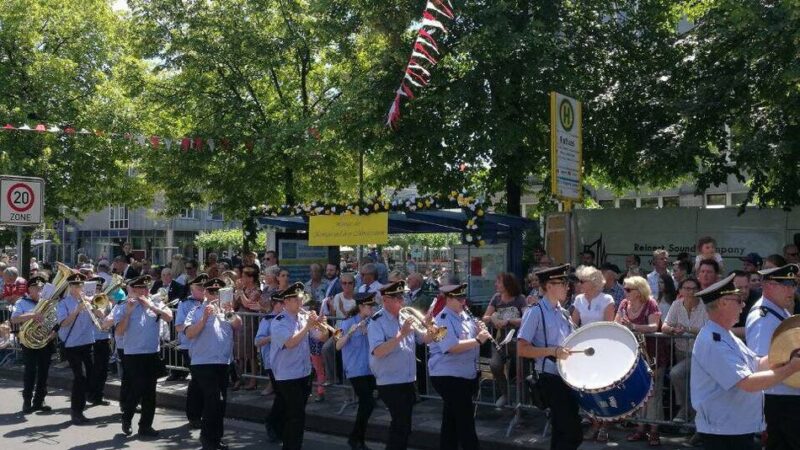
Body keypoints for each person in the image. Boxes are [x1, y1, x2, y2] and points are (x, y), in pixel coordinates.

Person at [691, 272, 800, 450]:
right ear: (723, 303)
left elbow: (757, 364)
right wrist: (791, 368)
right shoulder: (712, 341)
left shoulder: (727, 336)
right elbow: (747, 383)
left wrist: (789, 355)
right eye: (738, 300)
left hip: (736, 427)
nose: (743, 305)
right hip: (723, 431)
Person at [517, 264, 581, 450]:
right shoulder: (535, 312)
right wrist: (552, 351)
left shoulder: (563, 313)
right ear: (549, 286)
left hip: (566, 378)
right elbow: (522, 349)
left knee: (561, 433)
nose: (567, 287)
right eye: (563, 282)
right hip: (550, 378)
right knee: (572, 433)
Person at [368, 280, 436, 450]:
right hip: (389, 381)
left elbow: (424, 339)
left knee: (405, 426)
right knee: (400, 423)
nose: (403, 301)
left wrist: (430, 325)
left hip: (407, 379)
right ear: (386, 300)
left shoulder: (405, 317)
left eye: (402, 296)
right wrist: (400, 335)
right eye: (398, 298)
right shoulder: (376, 321)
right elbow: (378, 351)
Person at [427, 283, 491, 450]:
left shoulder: (466, 316)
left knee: (451, 420)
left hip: (465, 374)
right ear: (448, 299)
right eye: (459, 299)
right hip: (447, 376)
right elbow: (450, 347)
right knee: (465, 420)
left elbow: (469, 341)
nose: (463, 302)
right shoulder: (439, 320)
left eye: (464, 298)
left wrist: (479, 333)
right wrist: (478, 340)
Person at [744, 264, 800, 450]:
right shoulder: (763, 318)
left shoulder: (778, 310)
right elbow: (761, 364)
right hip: (779, 399)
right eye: (785, 285)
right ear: (768, 286)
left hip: (788, 396)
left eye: (793, 285)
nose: (791, 290)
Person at [184, 277, 242, 450]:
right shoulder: (196, 310)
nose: (215, 295)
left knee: (220, 402)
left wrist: (229, 311)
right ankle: (207, 439)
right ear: (205, 293)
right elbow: (189, 334)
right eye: (212, 292)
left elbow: (238, 326)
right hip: (202, 362)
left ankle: (216, 438)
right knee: (213, 398)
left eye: (219, 292)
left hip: (222, 362)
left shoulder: (227, 311)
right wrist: (204, 318)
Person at [270, 282, 328, 450]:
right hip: (286, 374)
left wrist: (322, 326)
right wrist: (308, 327)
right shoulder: (279, 321)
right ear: (286, 302)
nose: (300, 302)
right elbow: (290, 342)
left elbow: (321, 338)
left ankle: (290, 441)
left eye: (301, 299)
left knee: (298, 414)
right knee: (295, 415)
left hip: (304, 372)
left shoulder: (303, 318)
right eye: (296, 299)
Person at [114, 274, 173, 438]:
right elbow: (118, 332)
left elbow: (169, 317)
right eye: (141, 288)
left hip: (152, 353)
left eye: (146, 287)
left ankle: (145, 426)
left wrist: (152, 307)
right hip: (133, 354)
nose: (145, 291)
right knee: (136, 389)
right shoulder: (124, 305)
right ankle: (127, 418)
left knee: (150, 392)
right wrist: (128, 313)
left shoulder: (155, 302)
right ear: (133, 289)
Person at [615, 276, 664, 445]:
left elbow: (654, 327)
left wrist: (633, 327)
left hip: (653, 353)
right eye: (624, 288)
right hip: (632, 355)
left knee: (653, 394)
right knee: (640, 393)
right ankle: (640, 428)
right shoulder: (623, 304)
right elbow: (616, 324)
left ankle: (654, 431)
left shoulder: (650, 303)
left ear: (639, 291)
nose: (625, 292)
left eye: (628, 289)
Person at [570, 266, 614, 442]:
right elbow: (573, 324)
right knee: (589, 389)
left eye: (582, 281)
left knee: (603, 389)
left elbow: (610, 325)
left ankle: (604, 426)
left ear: (593, 282)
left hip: (603, 348)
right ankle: (594, 424)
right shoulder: (578, 299)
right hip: (584, 350)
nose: (578, 284)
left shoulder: (607, 299)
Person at [336, 292, 380, 450]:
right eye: (369, 305)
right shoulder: (347, 322)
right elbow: (338, 345)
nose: (372, 308)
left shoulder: (373, 323)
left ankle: (356, 438)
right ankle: (356, 438)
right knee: (367, 402)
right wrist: (351, 332)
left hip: (370, 369)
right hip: (355, 369)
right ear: (361, 307)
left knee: (368, 404)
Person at [662, 277, 707, 422]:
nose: (690, 292)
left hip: (699, 354)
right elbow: (664, 326)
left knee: (676, 373)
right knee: (690, 385)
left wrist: (687, 329)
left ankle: (684, 409)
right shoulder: (676, 305)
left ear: (699, 290)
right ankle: (693, 423)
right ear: (680, 290)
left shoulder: (704, 306)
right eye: (686, 288)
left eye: (694, 288)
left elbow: (706, 330)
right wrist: (672, 329)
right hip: (680, 351)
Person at [481, 272, 526, 408]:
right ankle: (505, 394)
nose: (496, 284)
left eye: (499, 282)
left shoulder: (520, 299)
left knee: (521, 371)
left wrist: (508, 321)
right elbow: (485, 317)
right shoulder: (496, 298)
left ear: (508, 284)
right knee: (495, 366)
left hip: (518, 340)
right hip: (501, 340)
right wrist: (493, 317)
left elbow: (526, 319)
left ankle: (523, 400)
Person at [10, 275, 53, 413]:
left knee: (44, 372)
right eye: (36, 288)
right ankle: (27, 401)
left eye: (41, 288)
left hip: (45, 340)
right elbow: (14, 319)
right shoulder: (22, 302)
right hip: (29, 342)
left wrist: (53, 332)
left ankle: (40, 400)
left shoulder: (47, 303)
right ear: (29, 289)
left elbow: (54, 320)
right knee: (30, 371)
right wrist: (32, 315)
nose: (39, 291)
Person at [57, 272, 96, 425]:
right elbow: (64, 323)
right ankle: (76, 411)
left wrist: (93, 306)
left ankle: (80, 407)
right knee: (79, 378)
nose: (78, 287)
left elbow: (98, 316)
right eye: (75, 285)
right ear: (70, 287)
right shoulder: (64, 303)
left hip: (87, 342)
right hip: (72, 345)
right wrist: (77, 309)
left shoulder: (88, 300)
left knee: (89, 376)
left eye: (80, 285)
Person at [176, 273, 208, 425]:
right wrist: (194, 326)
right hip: (189, 346)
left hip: (206, 346)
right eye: (199, 287)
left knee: (204, 382)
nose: (202, 290)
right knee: (197, 380)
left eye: (204, 287)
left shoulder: (212, 303)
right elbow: (179, 326)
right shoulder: (185, 304)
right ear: (191, 288)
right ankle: (194, 415)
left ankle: (203, 413)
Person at [256, 292, 284, 443]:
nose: (284, 306)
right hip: (272, 363)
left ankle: (278, 425)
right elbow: (257, 341)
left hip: (286, 363)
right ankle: (272, 422)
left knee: (284, 397)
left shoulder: (288, 319)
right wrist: (272, 337)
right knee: (281, 395)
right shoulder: (267, 320)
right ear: (275, 304)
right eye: (281, 303)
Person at [88, 276, 112, 406]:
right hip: (91, 339)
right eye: (96, 288)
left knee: (103, 369)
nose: (98, 290)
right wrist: (91, 306)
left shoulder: (106, 301)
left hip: (104, 338)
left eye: (99, 287)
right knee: (93, 369)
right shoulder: (86, 302)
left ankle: (98, 395)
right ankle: (91, 394)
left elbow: (107, 316)